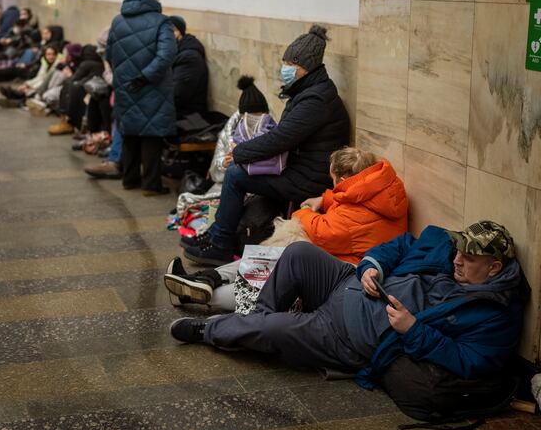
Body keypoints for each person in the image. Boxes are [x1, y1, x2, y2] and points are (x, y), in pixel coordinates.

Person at [170, 221, 529, 391]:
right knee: (298, 253)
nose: (457, 262)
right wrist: (373, 266)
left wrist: (413, 329)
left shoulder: (495, 314)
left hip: (347, 335)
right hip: (348, 282)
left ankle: (213, 331)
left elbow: (471, 361)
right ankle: (251, 325)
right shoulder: (448, 251)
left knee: (276, 329)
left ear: (494, 268)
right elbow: (400, 244)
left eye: (468, 260)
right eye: (459, 254)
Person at [183, 24, 350, 265]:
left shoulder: (315, 99)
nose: (286, 69)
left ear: (307, 67)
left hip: (310, 179)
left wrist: (241, 153)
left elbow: (281, 138)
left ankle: (220, 243)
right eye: (285, 62)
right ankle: (216, 234)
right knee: (240, 173)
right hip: (300, 170)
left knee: (236, 174)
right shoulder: (309, 92)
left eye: (291, 64)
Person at [164, 147, 409, 309]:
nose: (332, 186)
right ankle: (205, 279)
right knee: (271, 257)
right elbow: (347, 198)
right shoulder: (380, 189)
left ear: (344, 180)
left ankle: (197, 293)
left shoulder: (355, 214)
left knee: (269, 278)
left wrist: (304, 211)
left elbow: (325, 230)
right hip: (346, 259)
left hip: (347, 274)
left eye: (333, 180)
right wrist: (323, 199)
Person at [107, 0, 177, 196]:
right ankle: (151, 184)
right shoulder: (162, 22)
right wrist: (145, 77)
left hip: (125, 85)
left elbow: (110, 53)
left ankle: (129, 179)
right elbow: (167, 54)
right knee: (151, 136)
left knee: (129, 133)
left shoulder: (118, 21)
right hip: (152, 86)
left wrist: (125, 76)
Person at [48, 44, 105, 135]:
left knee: (68, 86)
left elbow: (73, 79)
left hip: (87, 92)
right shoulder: (98, 64)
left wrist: (69, 76)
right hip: (93, 90)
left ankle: (67, 122)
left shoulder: (86, 64)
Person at [169, 16, 208, 119]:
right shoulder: (175, 52)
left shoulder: (189, 58)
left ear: (177, 33)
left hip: (187, 115)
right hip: (175, 110)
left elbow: (177, 96)